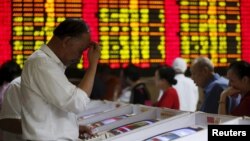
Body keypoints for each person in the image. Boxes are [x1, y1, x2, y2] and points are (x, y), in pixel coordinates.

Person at [20, 19, 100, 140]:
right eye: (80, 50)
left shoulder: (49, 63)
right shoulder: (41, 63)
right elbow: (77, 103)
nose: (79, 58)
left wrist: (72, 127)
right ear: (67, 41)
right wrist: (93, 64)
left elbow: (51, 110)